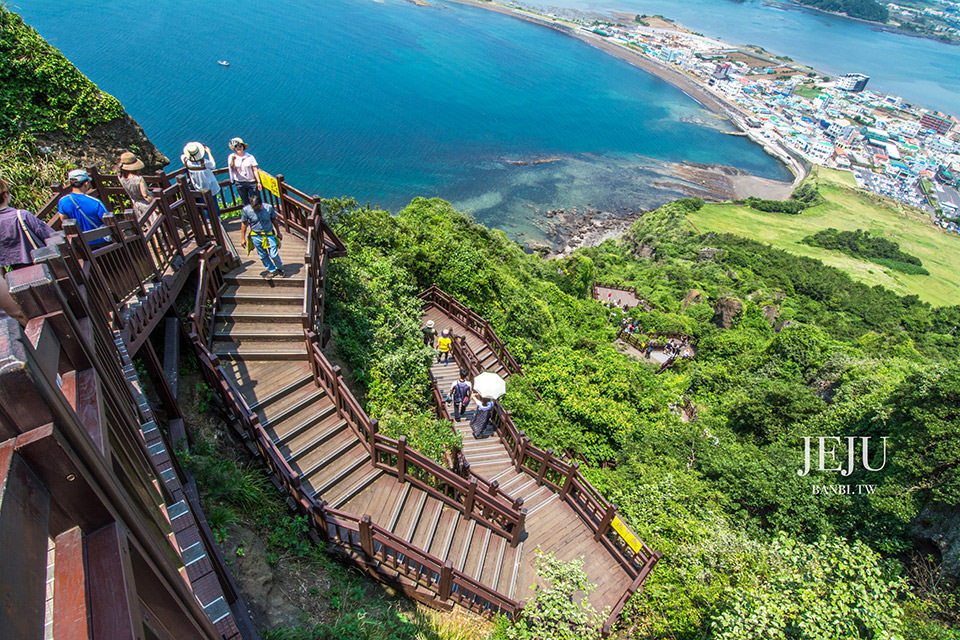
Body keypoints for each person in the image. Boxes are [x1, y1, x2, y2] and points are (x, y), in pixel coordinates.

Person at [0, 178, 55, 270]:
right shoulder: (21, 215)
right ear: (5, 195)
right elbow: (50, 235)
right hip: (40, 264)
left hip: (15, 271)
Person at [57, 169, 110, 245]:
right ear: (86, 183)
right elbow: (109, 222)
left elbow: (64, 221)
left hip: (81, 245)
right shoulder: (95, 202)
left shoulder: (63, 201)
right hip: (101, 242)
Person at [240, 193, 284, 278]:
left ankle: (280, 268)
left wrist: (278, 232)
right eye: (253, 208)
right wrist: (242, 238)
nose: (255, 210)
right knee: (262, 255)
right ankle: (272, 270)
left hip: (268, 234)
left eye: (257, 208)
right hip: (256, 235)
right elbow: (244, 224)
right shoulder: (246, 210)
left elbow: (274, 220)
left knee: (273, 254)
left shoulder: (269, 208)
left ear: (261, 204)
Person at [182, 142, 221, 216]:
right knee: (214, 203)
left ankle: (208, 221)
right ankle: (218, 220)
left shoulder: (187, 162)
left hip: (199, 188)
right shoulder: (204, 162)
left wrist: (190, 152)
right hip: (211, 187)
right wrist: (209, 152)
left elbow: (183, 156)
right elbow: (213, 165)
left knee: (204, 205)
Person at [116, 152, 155, 221]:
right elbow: (145, 196)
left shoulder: (121, 178)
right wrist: (156, 206)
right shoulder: (139, 179)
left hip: (136, 205)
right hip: (146, 205)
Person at [227, 137, 260, 205]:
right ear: (234, 148)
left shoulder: (250, 157)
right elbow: (231, 168)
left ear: (243, 147)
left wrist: (258, 182)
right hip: (240, 182)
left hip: (251, 182)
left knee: (255, 201)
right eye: (236, 146)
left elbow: (255, 170)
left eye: (240, 146)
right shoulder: (231, 157)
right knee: (245, 201)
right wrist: (233, 160)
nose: (238, 147)